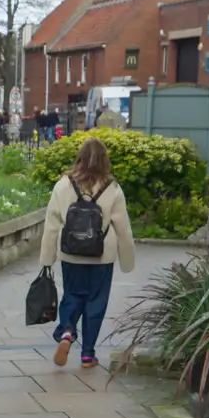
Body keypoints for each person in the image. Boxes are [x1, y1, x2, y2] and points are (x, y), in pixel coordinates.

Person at [37, 137, 136, 369]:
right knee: (96, 302)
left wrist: (47, 257)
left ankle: (67, 333)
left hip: (71, 253)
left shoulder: (63, 185)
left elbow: (52, 223)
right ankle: (87, 355)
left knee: (72, 295)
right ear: (105, 160)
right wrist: (127, 258)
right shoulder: (112, 188)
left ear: (79, 157)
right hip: (102, 255)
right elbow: (123, 226)